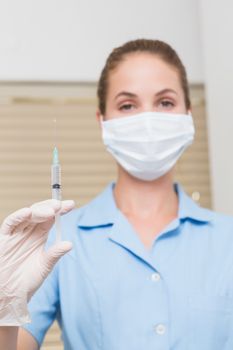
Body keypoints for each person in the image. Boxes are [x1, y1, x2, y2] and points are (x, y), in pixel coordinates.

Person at [1, 38, 233, 350]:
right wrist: (4, 310)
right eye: (127, 105)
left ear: (188, 114)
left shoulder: (227, 239)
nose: (148, 120)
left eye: (165, 102)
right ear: (103, 121)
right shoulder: (60, 239)